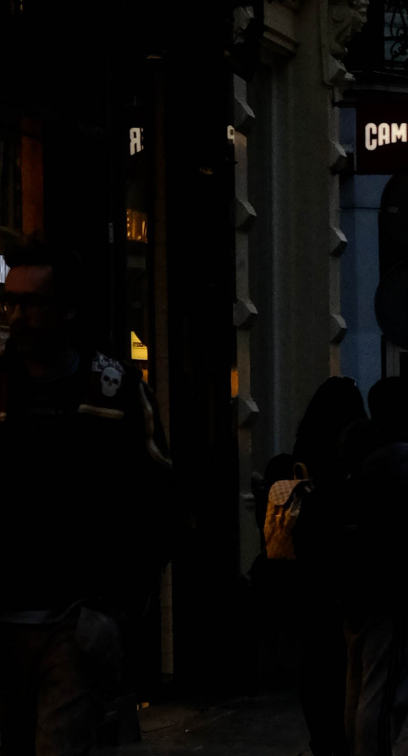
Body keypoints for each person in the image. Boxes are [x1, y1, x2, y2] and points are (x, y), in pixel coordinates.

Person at [0, 243, 174, 754]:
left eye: (32, 303)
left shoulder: (113, 391)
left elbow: (156, 501)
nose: (17, 316)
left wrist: (116, 609)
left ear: (66, 309)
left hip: (74, 622)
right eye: (10, 302)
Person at [259, 377, 368, 756]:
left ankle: (324, 745)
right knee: (344, 678)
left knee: (315, 676)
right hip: (337, 588)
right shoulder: (349, 469)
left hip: (298, 586)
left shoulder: (294, 463)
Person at [339, 378, 408, 755]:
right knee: (384, 693)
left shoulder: (359, 454)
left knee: (362, 684)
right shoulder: (400, 459)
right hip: (392, 589)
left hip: (360, 588)